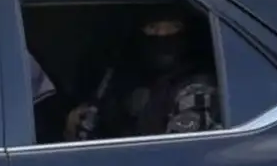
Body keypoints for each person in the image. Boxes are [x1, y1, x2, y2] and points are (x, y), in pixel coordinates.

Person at [64, 7, 220, 141]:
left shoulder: (196, 89)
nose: (163, 36)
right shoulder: (125, 81)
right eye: (153, 27)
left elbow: (178, 153)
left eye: (174, 27)